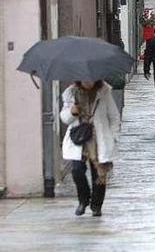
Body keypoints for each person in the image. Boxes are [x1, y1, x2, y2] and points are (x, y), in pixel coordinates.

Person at [60, 80, 121, 217]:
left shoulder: (104, 92)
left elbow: (114, 116)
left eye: (91, 78)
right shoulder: (71, 93)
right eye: (85, 78)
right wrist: (72, 112)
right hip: (80, 137)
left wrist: (113, 136)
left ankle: (96, 205)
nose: (88, 81)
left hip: (99, 137)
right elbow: (64, 117)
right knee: (77, 170)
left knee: (99, 174)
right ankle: (83, 200)